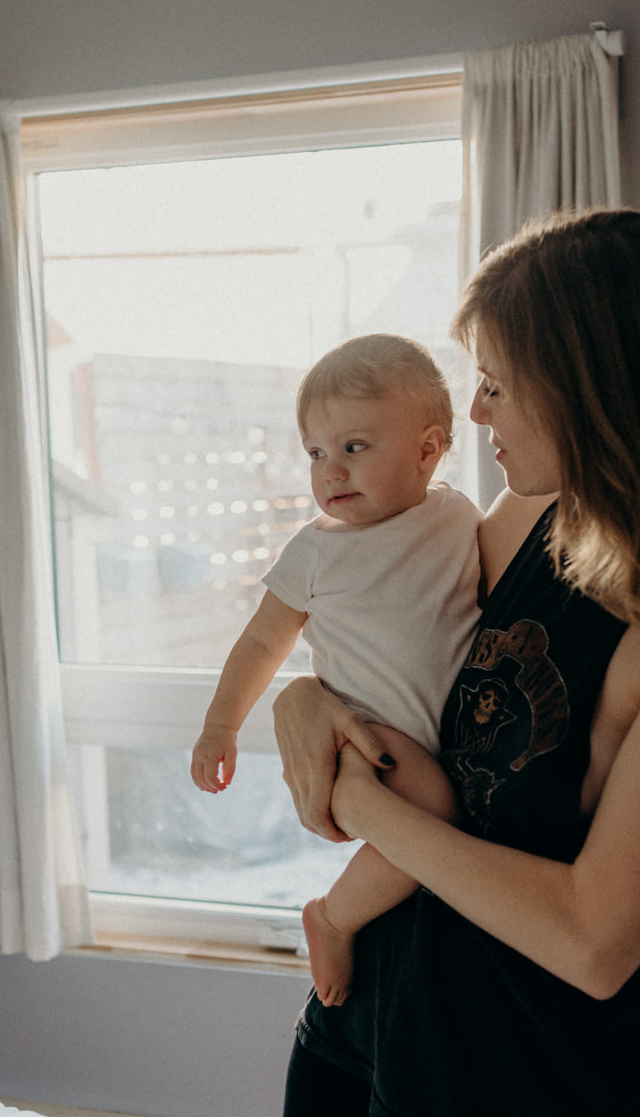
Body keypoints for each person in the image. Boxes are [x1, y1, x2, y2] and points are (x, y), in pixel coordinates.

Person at [265, 209, 640, 1117]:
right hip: (379, 1017)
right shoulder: (518, 519)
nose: (475, 414)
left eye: (500, 385)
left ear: (591, 381)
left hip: (560, 1085)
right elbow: (374, 623)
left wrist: (366, 799)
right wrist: (298, 697)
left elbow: (595, 939)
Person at [190, 333, 482, 1006]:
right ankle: (333, 916)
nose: (330, 472)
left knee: (442, 824)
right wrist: (219, 725)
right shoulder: (316, 551)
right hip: (370, 734)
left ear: (428, 449)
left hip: (446, 737)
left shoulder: (459, 517)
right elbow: (262, 641)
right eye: (316, 454)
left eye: (354, 448)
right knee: (435, 813)